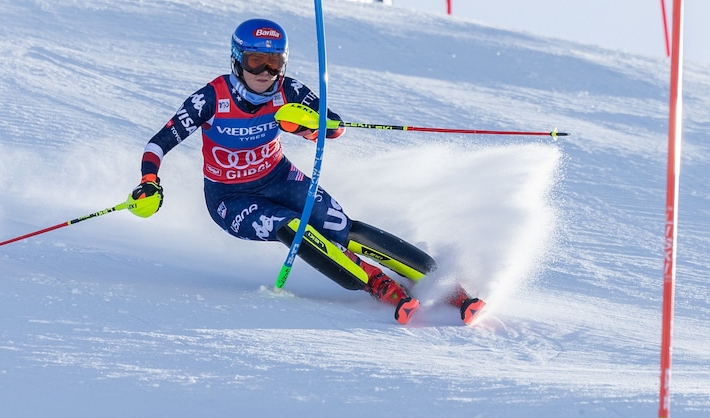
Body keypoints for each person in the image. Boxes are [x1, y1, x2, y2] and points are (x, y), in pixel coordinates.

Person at [127, 18, 484, 325]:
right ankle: (377, 284)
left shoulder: (288, 90)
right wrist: (149, 181)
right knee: (291, 226)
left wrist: (310, 126)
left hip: (278, 177)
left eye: (274, 63)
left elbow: (335, 125)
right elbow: (158, 142)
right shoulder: (212, 97)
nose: (265, 74)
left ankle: (444, 285)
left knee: (339, 227)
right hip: (230, 198)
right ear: (237, 61)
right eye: (255, 62)